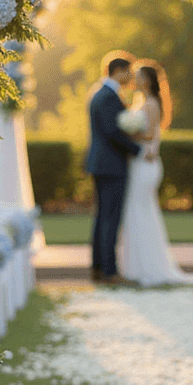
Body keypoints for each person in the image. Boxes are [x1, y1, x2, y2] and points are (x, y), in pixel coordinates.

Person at [118, 60, 193, 287]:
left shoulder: (151, 103)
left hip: (146, 164)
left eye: (140, 76)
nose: (135, 79)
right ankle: (136, 266)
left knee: (141, 211)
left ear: (148, 80)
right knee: (136, 212)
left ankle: (148, 267)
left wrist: (126, 135)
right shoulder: (140, 102)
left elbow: (150, 135)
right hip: (139, 163)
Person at [85, 51, 142, 284]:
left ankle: (99, 268)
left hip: (101, 164)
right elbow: (112, 131)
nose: (130, 76)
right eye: (128, 71)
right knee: (110, 219)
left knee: (102, 218)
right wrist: (138, 149)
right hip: (111, 165)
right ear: (118, 71)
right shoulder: (108, 96)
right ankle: (109, 271)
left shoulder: (98, 93)